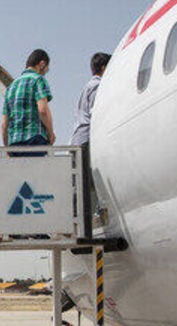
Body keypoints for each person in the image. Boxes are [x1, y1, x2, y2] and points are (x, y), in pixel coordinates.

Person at [71, 52, 111, 231]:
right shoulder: (98, 86)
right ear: (103, 68)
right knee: (90, 183)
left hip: (78, 139)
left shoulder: (87, 86)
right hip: (87, 139)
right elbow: (97, 113)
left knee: (83, 183)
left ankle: (81, 220)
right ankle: (82, 221)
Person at [3, 49, 55, 156]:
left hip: (14, 144)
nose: (45, 72)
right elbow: (43, 111)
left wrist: (6, 148)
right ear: (42, 64)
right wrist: (51, 133)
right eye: (46, 69)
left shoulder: (11, 87)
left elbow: (4, 124)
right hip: (34, 141)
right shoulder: (38, 80)